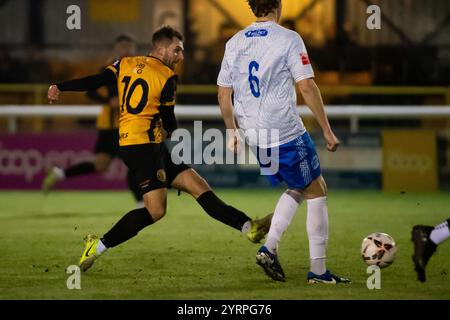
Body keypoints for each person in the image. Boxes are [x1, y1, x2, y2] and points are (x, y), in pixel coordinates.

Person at [47, 26, 272, 272]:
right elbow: (169, 120)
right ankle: (97, 247)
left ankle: (250, 228)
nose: (180, 56)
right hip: (142, 147)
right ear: (162, 48)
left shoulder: (125, 63)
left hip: (143, 144)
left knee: (198, 186)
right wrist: (169, 129)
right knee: (155, 211)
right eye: (177, 50)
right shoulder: (166, 76)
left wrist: (60, 86)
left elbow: (95, 81)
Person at [217, 0, 350, 284]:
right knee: (317, 190)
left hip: (255, 134)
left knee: (299, 185)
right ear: (278, 6)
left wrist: (232, 131)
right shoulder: (289, 38)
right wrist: (326, 129)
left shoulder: (234, 42)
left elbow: (223, 94)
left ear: (253, 7)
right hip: (284, 131)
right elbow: (306, 86)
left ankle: (272, 247)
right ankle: (315, 269)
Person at [42, 34, 143, 205]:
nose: (127, 50)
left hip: (119, 124)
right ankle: (142, 204)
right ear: (116, 49)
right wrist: (109, 101)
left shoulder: (136, 66)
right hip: (113, 125)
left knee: (101, 165)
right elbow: (92, 90)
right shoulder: (110, 67)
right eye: (123, 46)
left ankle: (60, 173)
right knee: (134, 163)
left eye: (130, 46)